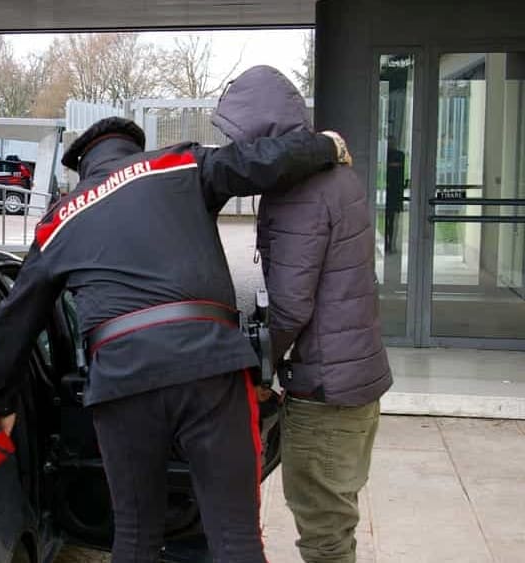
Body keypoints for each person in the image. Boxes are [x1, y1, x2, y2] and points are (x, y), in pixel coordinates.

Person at [0, 116, 352, 563]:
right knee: (236, 538)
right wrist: (325, 146)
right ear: (135, 149)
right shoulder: (178, 165)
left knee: (136, 537)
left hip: (122, 384)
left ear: (83, 167)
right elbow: (256, 161)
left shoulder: (59, 220)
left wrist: (1, 405)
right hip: (211, 368)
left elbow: (9, 326)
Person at [213, 66, 393, 563]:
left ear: (261, 131)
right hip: (358, 376)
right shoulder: (338, 175)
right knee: (338, 515)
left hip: (325, 391)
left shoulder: (299, 191)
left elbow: (292, 304)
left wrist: (260, 367)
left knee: (323, 533)